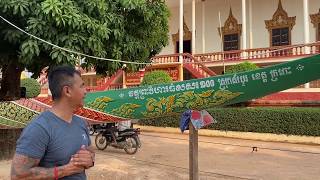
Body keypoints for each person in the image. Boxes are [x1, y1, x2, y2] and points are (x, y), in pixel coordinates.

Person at [11, 65, 95, 180]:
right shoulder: (40, 128)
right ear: (67, 91)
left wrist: (90, 160)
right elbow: (17, 176)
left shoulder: (81, 123)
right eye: (82, 86)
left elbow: (90, 152)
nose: (86, 91)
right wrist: (66, 170)